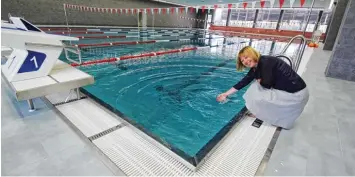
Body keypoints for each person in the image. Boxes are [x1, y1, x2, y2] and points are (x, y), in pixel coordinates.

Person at [216, 46, 309, 129]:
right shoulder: (257, 67)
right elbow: (243, 82)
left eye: (246, 57)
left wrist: (260, 81)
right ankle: (262, 113)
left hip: (297, 96)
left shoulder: (266, 62)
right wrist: (225, 94)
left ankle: (260, 113)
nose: (245, 61)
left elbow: (267, 85)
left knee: (255, 89)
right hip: (294, 93)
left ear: (252, 54)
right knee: (256, 86)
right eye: (242, 61)